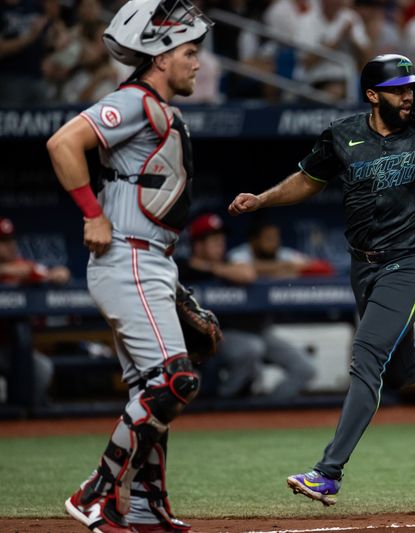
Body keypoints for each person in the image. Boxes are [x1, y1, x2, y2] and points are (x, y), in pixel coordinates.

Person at [228, 53, 415, 506]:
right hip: (363, 265)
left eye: (412, 87)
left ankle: (327, 472)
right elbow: (308, 180)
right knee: (400, 370)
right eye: (398, 89)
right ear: (373, 95)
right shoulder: (344, 134)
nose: (410, 95)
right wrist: (261, 201)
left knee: (366, 356)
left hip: (409, 262)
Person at [46, 0, 212, 530]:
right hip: (126, 260)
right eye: (189, 52)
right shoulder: (134, 100)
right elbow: (63, 143)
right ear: (160, 57)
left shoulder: (162, 109)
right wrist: (91, 213)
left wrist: (177, 291)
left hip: (151, 261)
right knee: (174, 382)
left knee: (154, 390)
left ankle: (143, 505)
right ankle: (96, 492)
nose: (197, 62)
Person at [178, 213, 316, 399]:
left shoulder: (228, 260)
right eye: (214, 240)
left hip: (258, 331)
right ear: (198, 244)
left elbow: (247, 274)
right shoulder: (183, 267)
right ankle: (223, 404)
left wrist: (211, 267)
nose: (220, 244)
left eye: (221, 239)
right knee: (252, 347)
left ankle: (266, 410)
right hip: (218, 335)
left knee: (305, 368)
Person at [0, 216, 70, 406]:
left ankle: (29, 422)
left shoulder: (22, 266)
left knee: (42, 369)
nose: (9, 246)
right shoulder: (17, 268)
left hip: (11, 348)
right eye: (2, 242)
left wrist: (50, 274)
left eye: (9, 240)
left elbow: (59, 274)